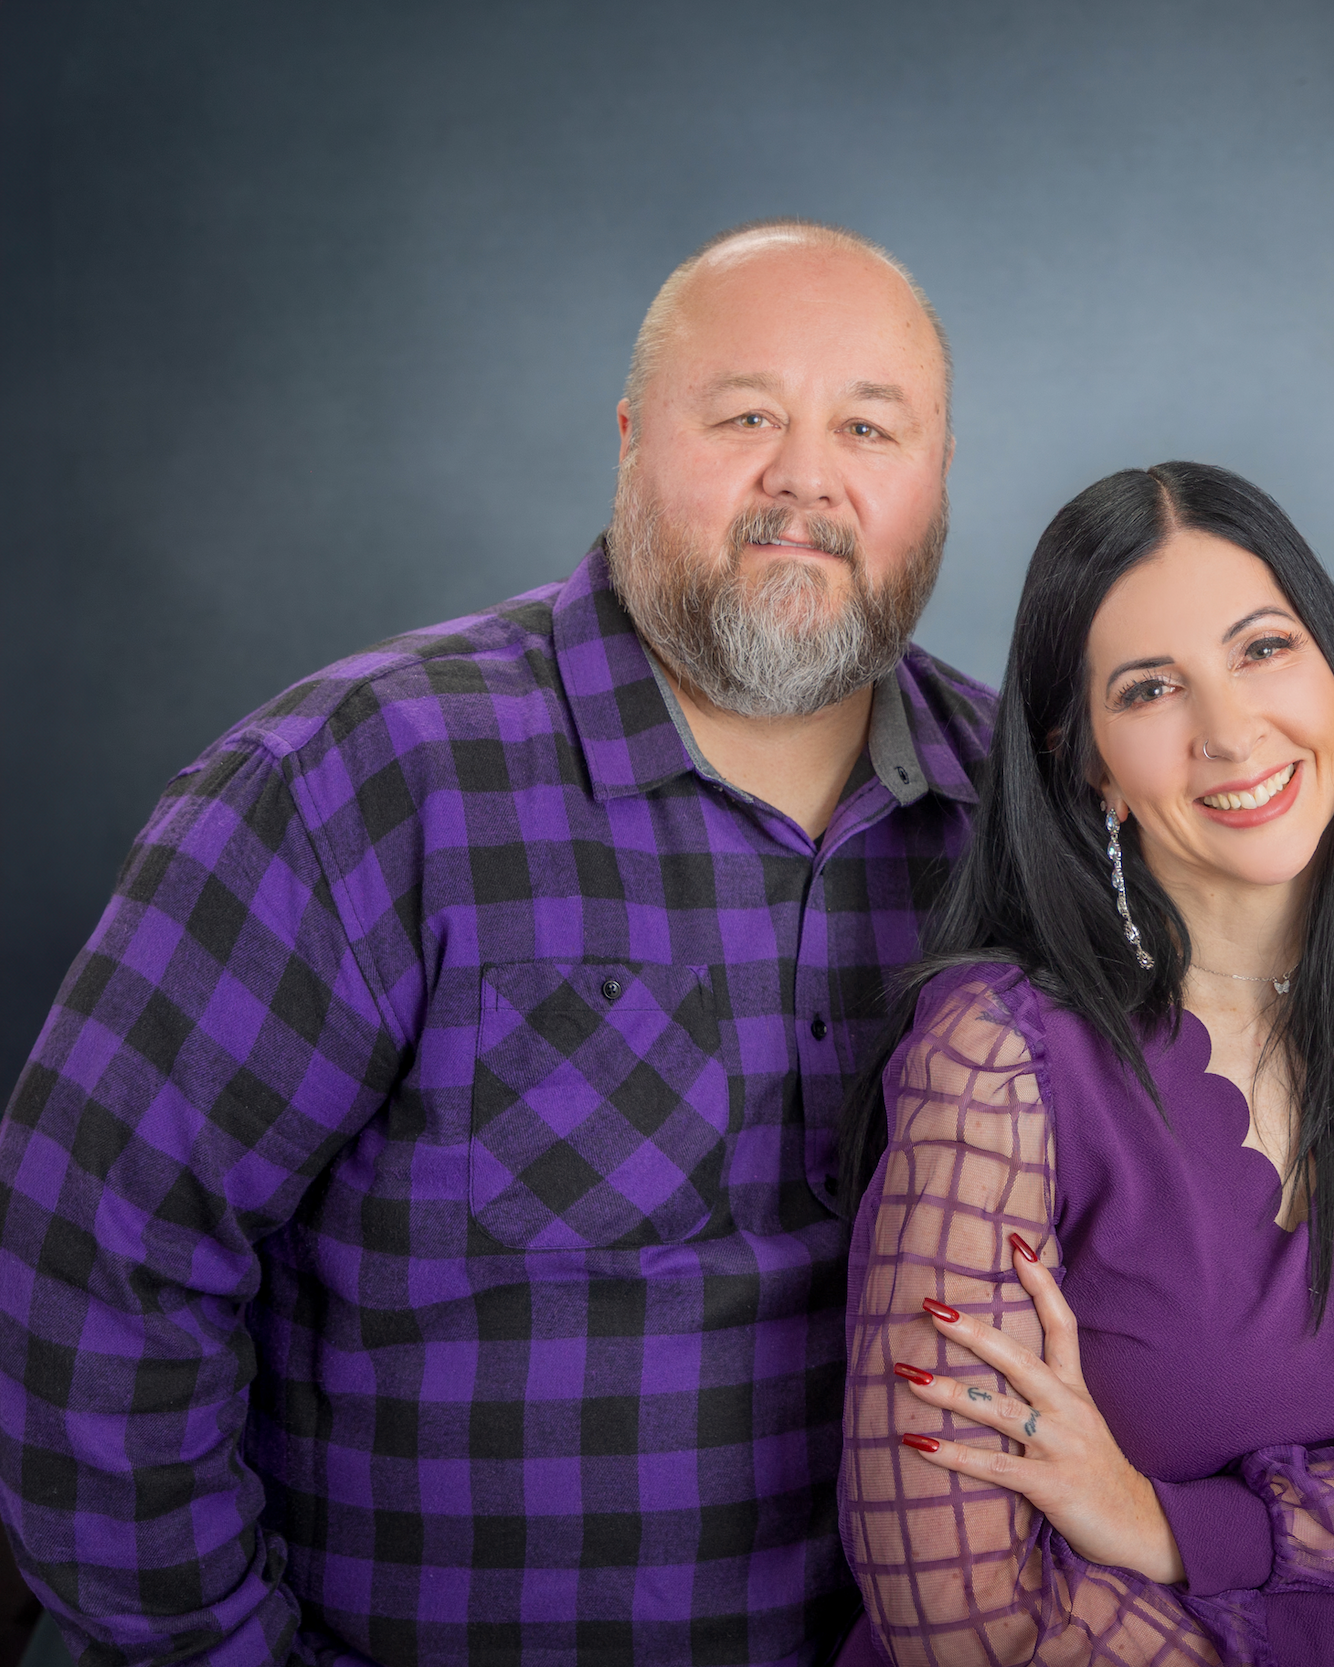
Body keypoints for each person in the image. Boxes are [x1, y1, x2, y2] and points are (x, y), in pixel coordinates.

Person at [0, 219, 987, 1665]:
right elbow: (89, 1259)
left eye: (869, 427)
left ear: (938, 473)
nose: (806, 479)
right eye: (747, 415)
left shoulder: (1023, 806)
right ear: (633, 434)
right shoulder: (361, 777)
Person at [834, 463, 1334, 1666]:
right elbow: (955, 1615)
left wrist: (1172, 1526)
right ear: (1083, 754)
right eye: (1151, 688)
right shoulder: (995, 1060)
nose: (1230, 730)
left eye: (1263, 649)